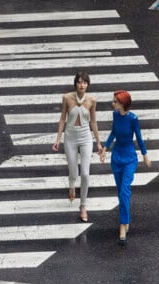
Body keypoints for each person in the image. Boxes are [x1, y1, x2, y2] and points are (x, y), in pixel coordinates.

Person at [101, 89, 151, 245]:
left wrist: (145, 154)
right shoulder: (116, 115)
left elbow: (139, 138)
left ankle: (123, 224)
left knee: (123, 191)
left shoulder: (133, 119)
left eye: (115, 102)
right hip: (117, 157)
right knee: (122, 192)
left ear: (123, 104)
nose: (113, 104)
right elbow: (113, 132)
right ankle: (125, 215)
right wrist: (105, 146)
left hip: (129, 158)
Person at [52, 72, 103, 222]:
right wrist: (58, 139)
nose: (82, 85)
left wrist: (98, 142)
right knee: (73, 171)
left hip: (86, 138)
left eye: (85, 82)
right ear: (75, 84)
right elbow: (63, 119)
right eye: (79, 82)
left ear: (87, 85)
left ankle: (83, 206)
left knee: (86, 174)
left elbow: (93, 122)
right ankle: (72, 185)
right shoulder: (67, 98)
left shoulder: (92, 100)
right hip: (70, 138)